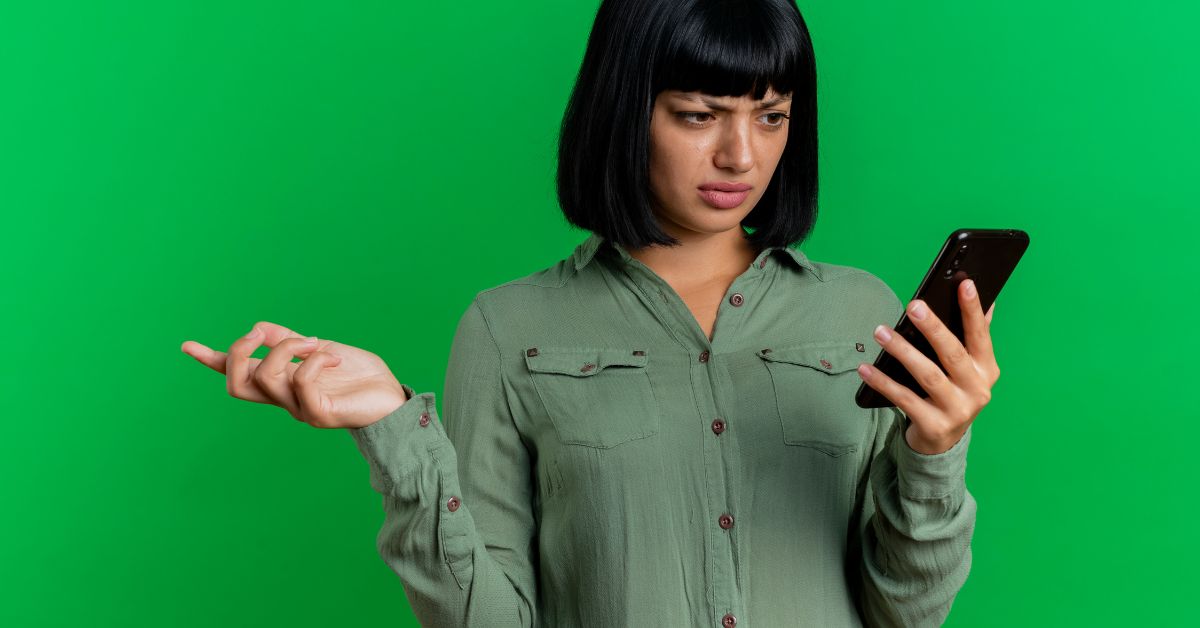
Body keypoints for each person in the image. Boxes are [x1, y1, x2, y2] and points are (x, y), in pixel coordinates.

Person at [181, 0, 999, 625]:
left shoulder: (862, 313)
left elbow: (905, 613)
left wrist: (934, 451)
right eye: (699, 114)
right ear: (624, 108)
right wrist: (393, 426)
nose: (741, 155)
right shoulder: (509, 330)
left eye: (772, 116)